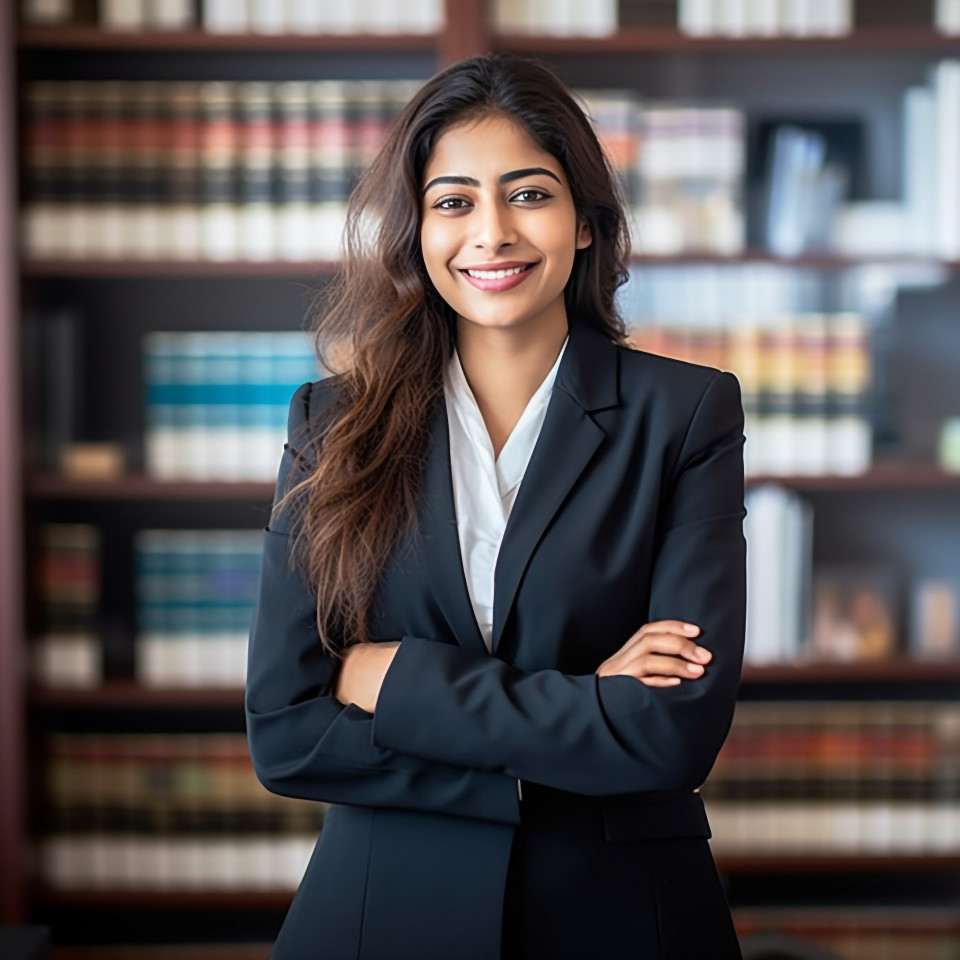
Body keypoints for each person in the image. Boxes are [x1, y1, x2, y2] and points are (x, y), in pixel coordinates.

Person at [245, 52, 746, 960]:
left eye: (528, 194)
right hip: (380, 913)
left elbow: (671, 736)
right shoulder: (332, 424)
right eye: (454, 201)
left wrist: (392, 680)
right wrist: (578, 714)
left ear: (586, 223)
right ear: (417, 230)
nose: (492, 233)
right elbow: (285, 733)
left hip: (623, 916)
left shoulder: (686, 414)